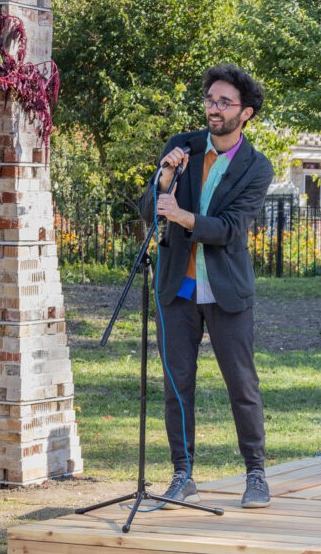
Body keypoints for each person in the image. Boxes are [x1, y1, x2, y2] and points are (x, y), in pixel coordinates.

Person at [137, 63, 275, 509]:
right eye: (210, 100)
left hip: (227, 291)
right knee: (177, 384)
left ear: (245, 113)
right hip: (177, 287)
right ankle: (183, 474)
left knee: (242, 385)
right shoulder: (184, 148)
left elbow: (231, 228)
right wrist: (163, 179)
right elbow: (148, 208)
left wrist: (184, 217)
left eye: (224, 102)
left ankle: (256, 473)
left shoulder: (257, 167)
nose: (213, 109)